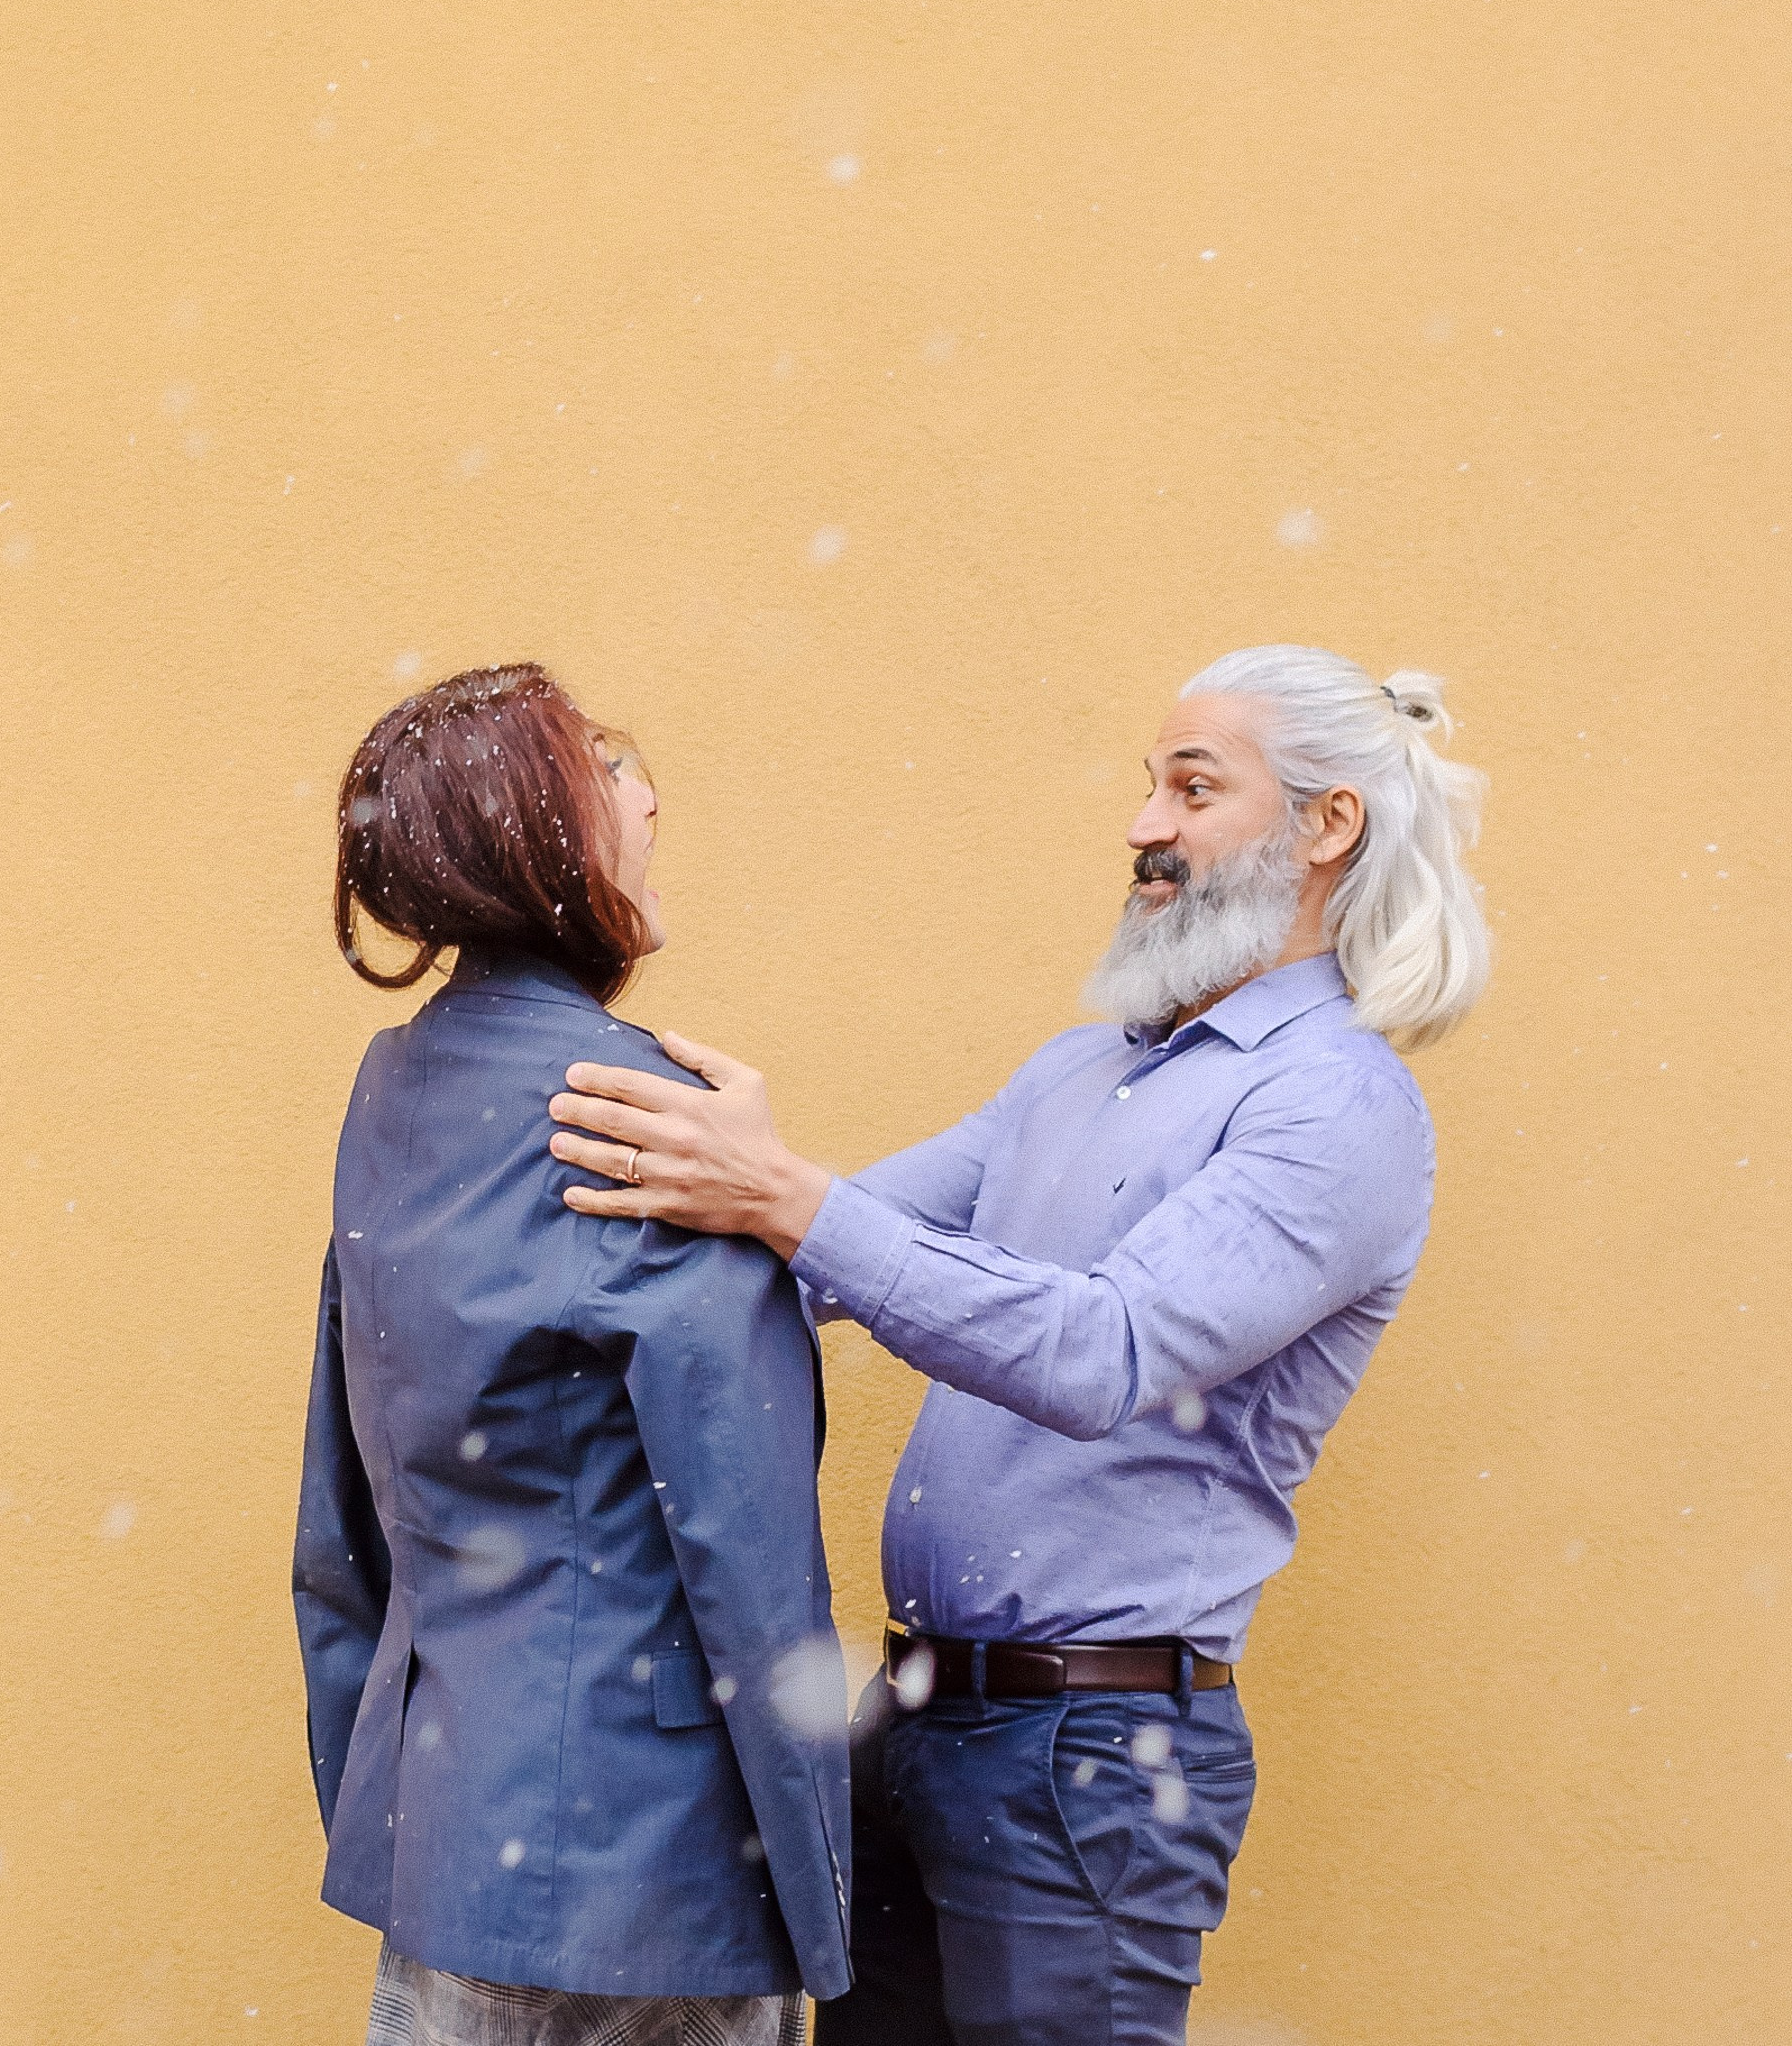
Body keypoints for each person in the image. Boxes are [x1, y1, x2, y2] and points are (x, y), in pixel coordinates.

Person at [543, 646, 1492, 2046]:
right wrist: (584, 1248)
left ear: (1326, 825)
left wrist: (780, 1195)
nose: (1143, 826)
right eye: (1149, 785)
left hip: (1089, 1761)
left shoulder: (1337, 1106)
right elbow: (814, 1260)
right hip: (912, 1719)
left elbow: (1101, 1354)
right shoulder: (1079, 1068)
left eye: (1192, 789)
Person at [294, 662, 854, 2046]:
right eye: (606, 772)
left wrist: (382, 1785)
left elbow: (344, 1507)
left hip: (448, 1819)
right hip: (648, 1866)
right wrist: (822, 1903)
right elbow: (748, 1554)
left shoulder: (396, 1090)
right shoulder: (644, 1119)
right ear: (527, 839)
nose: (649, 798)